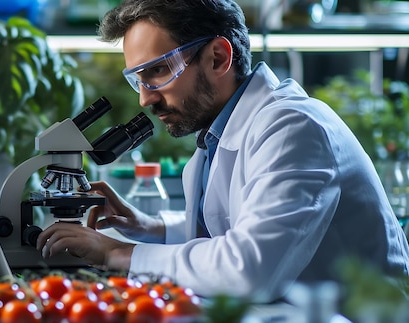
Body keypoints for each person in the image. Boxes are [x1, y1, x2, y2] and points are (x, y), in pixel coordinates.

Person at [36, 0, 409, 302]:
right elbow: (244, 221)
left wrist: (116, 253)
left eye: (158, 71)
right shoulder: (218, 135)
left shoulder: (293, 127)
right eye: (137, 79)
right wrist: (150, 227)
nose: (145, 98)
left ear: (217, 57)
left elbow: (250, 268)